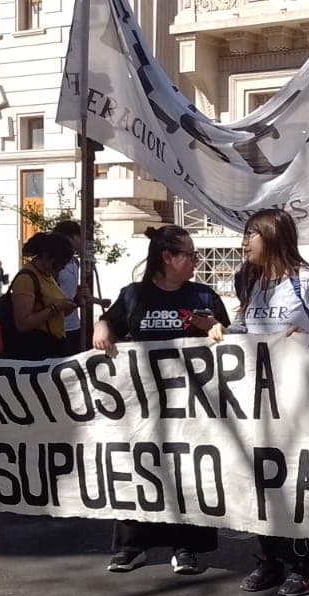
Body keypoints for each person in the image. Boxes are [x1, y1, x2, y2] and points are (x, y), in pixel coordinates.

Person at [95, 225, 229, 575]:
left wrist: (214, 328)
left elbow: (228, 340)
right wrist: (102, 331)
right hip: (143, 406)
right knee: (137, 467)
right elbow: (107, 322)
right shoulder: (133, 295)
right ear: (168, 258)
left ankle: (185, 546)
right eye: (190, 255)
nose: (196, 261)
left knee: (188, 471)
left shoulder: (203, 296)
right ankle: (131, 546)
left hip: (192, 406)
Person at [230, 208, 309, 596]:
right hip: (257, 404)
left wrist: (307, 335)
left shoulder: (308, 282)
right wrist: (217, 332)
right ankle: (267, 561)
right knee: (261, 483)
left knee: (296, 484)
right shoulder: (255, 283)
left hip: (299, 405)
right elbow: (245, 329)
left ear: (272, 237)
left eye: (252, 235)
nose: (245, 243)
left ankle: (302, 563)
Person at [7, 231, 76, 360]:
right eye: (59, 264)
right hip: (37, 349)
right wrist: (55, 307)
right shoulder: (26, 279)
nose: (61, 268)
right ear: (46, 257)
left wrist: (72, 303)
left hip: (55, 344)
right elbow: (22, 323)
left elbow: (56, 313)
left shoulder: (47, 275)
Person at [54, 221, 108, 357]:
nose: (82, 242)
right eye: (80, 238)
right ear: (70, 238)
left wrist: (98, 301)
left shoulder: (76, 263)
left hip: (74, 325)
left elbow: (74, 290)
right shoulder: (54, 265)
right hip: (58, 326)